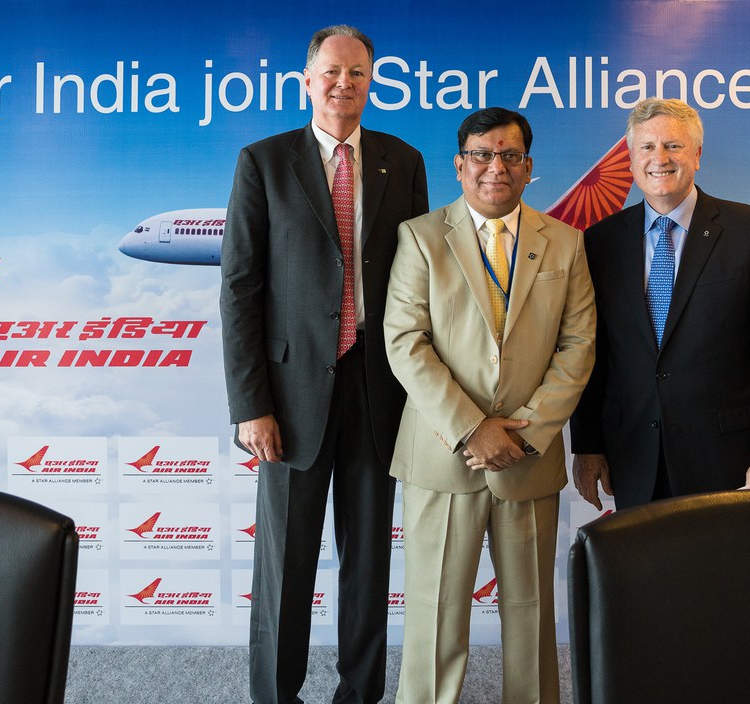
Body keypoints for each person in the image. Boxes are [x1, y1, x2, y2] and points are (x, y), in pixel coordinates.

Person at [219, 24, 428, 704]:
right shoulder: (264, 161)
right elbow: (240, 287)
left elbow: (418, 284)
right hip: (287, 398)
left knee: (366, 566)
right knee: (286, 566)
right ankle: (276, 695)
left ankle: (358, 695)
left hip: (377, 391)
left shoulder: (405, 161)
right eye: (332, 72)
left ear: (372, 80)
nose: (345, 84)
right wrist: (251, 404)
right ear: (306, 80)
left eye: (358, 73)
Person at [384, 107, 596, 704]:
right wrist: (473, 430)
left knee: (530, 618)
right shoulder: (421, 237)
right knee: (433, 614)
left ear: (529, 167)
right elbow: (404, 341)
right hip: (442, 456)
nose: (494, 168)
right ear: (459, 165)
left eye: (509, 156)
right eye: (481, 154)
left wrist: (524, 434)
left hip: (527, 458)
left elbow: (579, 345)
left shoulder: (567, 242)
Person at [569, 98, 750, 511]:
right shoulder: (601, 242)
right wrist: (589, 445)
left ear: (697, 155)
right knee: (642, 575)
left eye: (673, 146)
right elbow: (595, 353)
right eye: (646, 147)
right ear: (630, 160)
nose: (658, 158)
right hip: (634, 459)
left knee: (726, 576)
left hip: (730, 463)